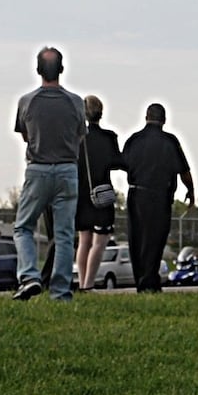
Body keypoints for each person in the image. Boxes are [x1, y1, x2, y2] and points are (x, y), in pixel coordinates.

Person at [11, 46, 86, 302]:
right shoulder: (76, 102)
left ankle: (30, 276)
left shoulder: (27, 101)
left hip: (38, 169)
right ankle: (61, 292)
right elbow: (80, 134)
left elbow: (25, 135)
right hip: (67, 169)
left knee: (23, 227)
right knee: (64, 234)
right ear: (62, 69)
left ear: (37, 70)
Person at [120, 103, 195, 293]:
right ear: (164, 120)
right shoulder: (170, 141)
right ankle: (150, 281)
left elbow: (123, 164)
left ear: (146, 117)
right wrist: (191, 191)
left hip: (136, 194)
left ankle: (141, 282)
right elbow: (184, 171)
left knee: (137, 239)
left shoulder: (134, 140)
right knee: (156, 240)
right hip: (160, 196)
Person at [74, 94, 121, 290]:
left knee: (84, 241)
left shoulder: (77, 138)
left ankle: (82, 281)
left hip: (80, 195)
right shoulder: (109, 138)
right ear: (101, 113)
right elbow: (117, 162)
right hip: (101, 195)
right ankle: (88, 284)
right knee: (99, 243)